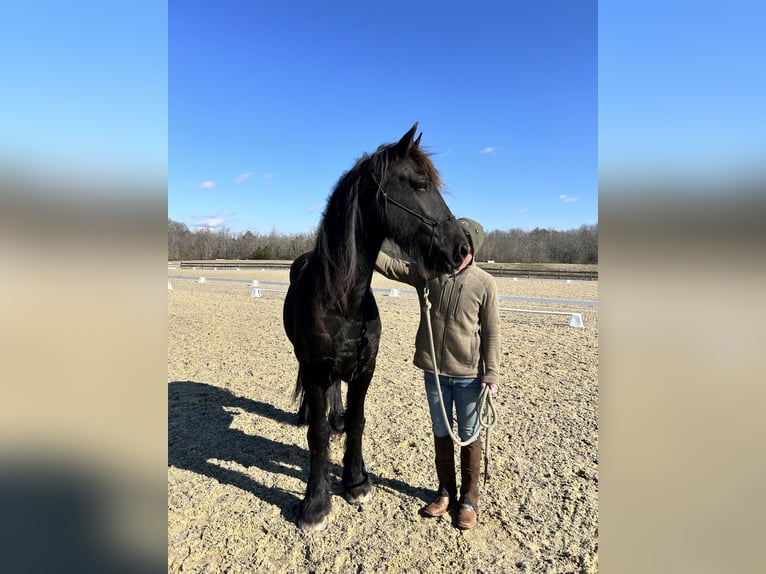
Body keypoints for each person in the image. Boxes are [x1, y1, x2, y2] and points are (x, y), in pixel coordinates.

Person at [375, 217, 500, 530]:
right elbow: (392, 266)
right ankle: (445, 492)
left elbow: (493, 333)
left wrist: (492, 374)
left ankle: (469, 500)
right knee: (441, 434)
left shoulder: (485, 284)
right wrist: (367, 237)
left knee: (469, 436)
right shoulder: (430, 271)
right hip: (434, 372)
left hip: (470, 375)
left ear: (471, 246)